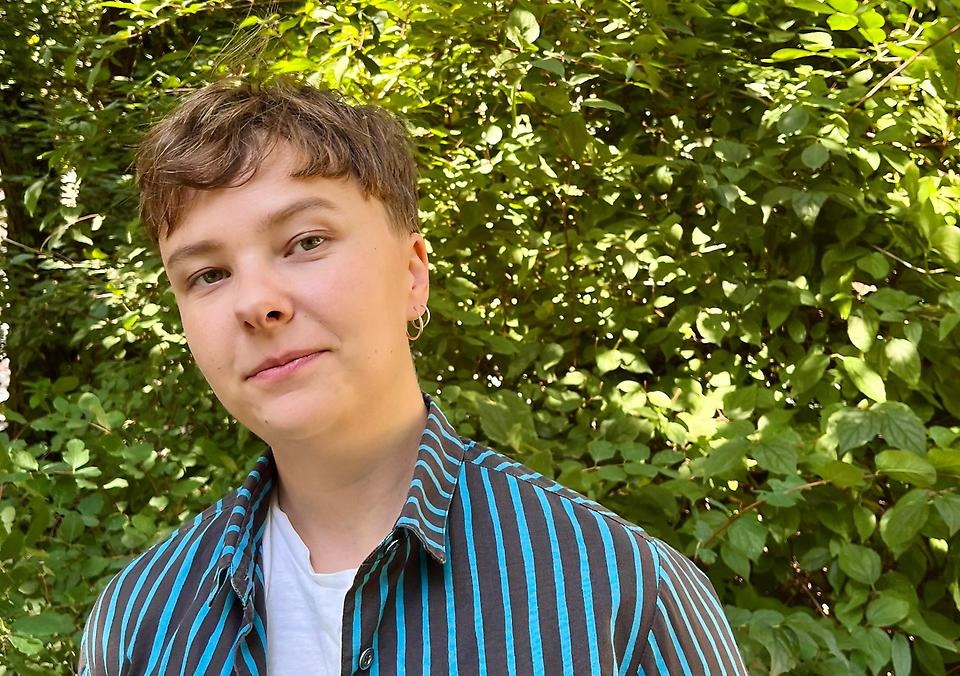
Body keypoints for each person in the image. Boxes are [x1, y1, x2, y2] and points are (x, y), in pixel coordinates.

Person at [79, 78, 747, 675]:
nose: (256, 302)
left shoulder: (620, 593)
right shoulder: (138, 623)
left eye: (306, 242)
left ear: (412, 273)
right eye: (208, 274)